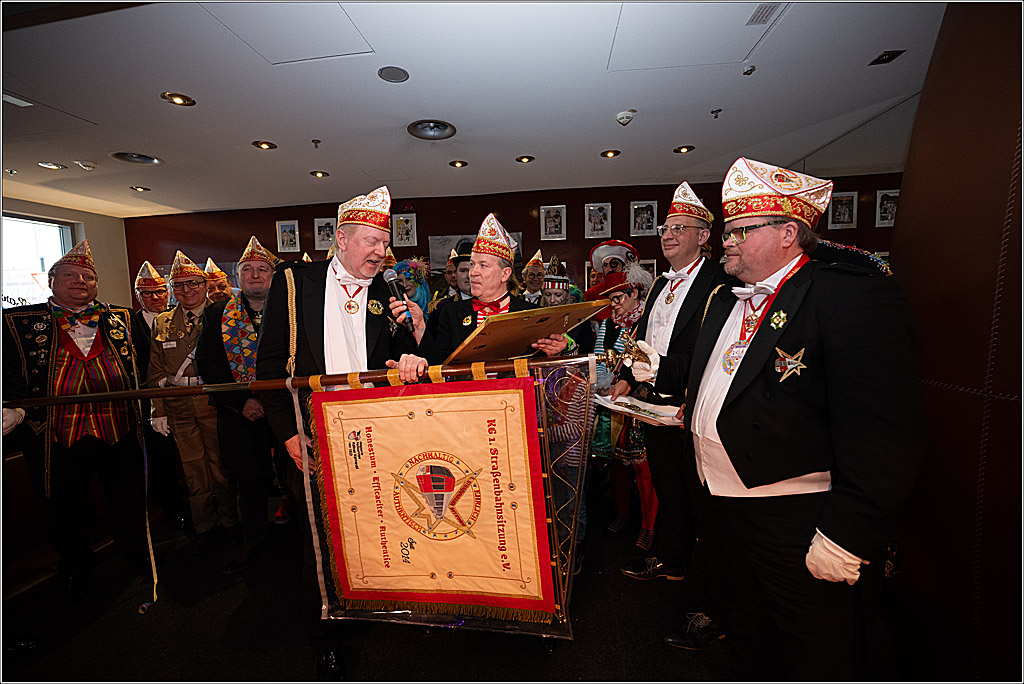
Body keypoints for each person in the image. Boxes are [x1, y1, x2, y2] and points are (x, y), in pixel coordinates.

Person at [679, 157, 925, 679]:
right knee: (745, 631)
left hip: (797, 519)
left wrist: (847, 534)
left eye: (742, 231)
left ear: (789, 233)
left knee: (814, 645)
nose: (727, 241)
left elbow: (884, 432)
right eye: (728, 231)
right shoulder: (723, 300)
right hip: (721, 507)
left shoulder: (849, 296)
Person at [255, 185, 420, 681]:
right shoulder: (293, 282)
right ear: (341, 240)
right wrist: (285, 434)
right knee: (320, 542)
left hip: (372, 438)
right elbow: (266, 368)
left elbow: (400, 364)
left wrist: (412, 341)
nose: (379, 250)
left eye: (384, 241)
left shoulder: (388, 292)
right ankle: (324, 634)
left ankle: (372, 606)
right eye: (370, 239)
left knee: (373, 529)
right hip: (311, 436)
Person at [609, 181, 727, 650]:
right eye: (665, 227)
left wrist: (681, 391)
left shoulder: (719, 283)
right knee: (669, 490)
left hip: (689, 408)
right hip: (653, 404)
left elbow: (708, 354)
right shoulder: (659, 283)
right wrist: (623, 374)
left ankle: (704, 594)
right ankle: (670, 561)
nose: (668, 234)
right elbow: (642, 337)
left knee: (701, 502)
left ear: (704, 236)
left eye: (681, 228)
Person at [2, 240, 151, 606]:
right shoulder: (16, 323)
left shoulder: (124, 317)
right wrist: (17, 406)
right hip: (56, 432)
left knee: (129, 497)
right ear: (51, 281)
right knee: (65, 505)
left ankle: (138, 556)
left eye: (87, 276)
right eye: (70, 275)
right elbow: (7, 371)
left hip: (120, 426)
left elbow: (146, 364)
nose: (80, 281)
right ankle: (76, 567)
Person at [195, 236, 280, 576]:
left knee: (296, 476)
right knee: (249, 478)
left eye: (263, 270)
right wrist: (241, 401)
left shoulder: (288, 309)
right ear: (237, 276)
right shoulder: (217, 312)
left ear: (273, 277)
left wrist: (271, 401)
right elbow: (209, 362)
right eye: (249, 270)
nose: (256, 275)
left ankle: (304, 537)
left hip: (283, 408)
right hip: (238, 412)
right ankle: (255, 536)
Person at [393, 213, 568, 375]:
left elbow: (542, 371)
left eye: (483, 265)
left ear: (505, 274)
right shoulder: (452, 313)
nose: (473, 272)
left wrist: (556, 351)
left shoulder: (531, 314)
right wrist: (420, 326)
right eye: (472, 264)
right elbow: (438, 363)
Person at [149, 251, 238, 554]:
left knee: (220, 464)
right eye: (179, 286)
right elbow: (156, 370)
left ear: (204, 284)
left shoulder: (224, 315)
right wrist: (158, 410)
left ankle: (228, 520)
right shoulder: (162, 322)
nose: (186, 291)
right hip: (179, 407)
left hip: (214, 404)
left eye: (192, 284)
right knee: (192, 469)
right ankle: (204, 525)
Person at [589, 263, 658, 551]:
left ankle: (649, 526)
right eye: (611, 300)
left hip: (643, 403)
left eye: (618, 299)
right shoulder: (608, 324)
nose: (614, 306)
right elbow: (598, 360)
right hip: (614, 402)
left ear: (634, 293)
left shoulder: (650, 320)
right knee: (618, 462)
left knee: (644, 467)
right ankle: (623, 514)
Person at [132, 261, 187, 533]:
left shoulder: (180, 317)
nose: (155, 298)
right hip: (151, 402)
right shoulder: (128, 324)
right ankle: (172, 511)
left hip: (184, 396)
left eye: (160, 292)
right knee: (161, 460)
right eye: (148, 293)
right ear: (138, 296)